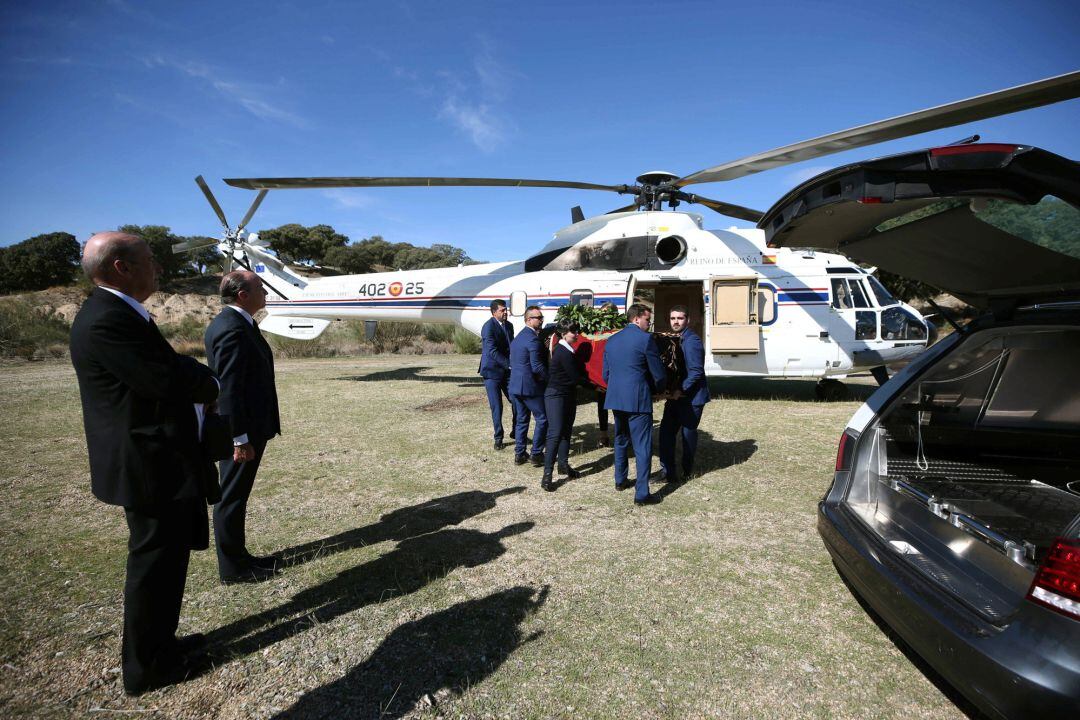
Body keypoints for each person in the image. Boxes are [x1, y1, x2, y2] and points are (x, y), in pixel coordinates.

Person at [70, 232, 219, 695]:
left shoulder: (117, 313)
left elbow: (163, 370)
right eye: (150, 259)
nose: (158, 266)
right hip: (148, 464)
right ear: (122, 267)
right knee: (154, 564)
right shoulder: (106, 321)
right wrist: (207, 379)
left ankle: (161, 645)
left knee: (167, 561)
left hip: (157, 459)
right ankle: (146, 668)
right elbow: (163, 377)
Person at [204, 270, 282, 584]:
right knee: (231, 496)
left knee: (237, 495)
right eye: (261, 288)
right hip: (242, 430)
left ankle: (239, 556)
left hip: (249, 427)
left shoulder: (239, 323)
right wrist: (239, 438)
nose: (266, 293)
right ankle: (233, 569)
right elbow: (229, 389)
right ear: (243, 295)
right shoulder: (231, 329)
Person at [602, 303, 667, 506]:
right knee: (642, 446)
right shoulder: (645, 339)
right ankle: (641, 493)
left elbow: (605, 375)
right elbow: (658, 374)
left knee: (621, 440)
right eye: (648, 320)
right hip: (638, 398)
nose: (649, 324)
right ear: (637, 318)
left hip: (616, 397)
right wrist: (658, 390)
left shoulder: (611, 340)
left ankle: (620, 481)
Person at [658, 305, 710, 483]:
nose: (676, 322)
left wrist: (680, 390)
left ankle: (687, 471)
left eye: (679, 318)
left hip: (690, 398)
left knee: (688, 436)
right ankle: (668, 472)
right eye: (673, 318)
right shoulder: (676, 339)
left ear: (687, 320)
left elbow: (696, 371)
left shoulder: (692, 341)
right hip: (675, 397)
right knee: (665, 434)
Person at [542, 319, 584, 491]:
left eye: (576, 331)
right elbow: (575, 377)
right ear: (563, 333)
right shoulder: (563, 352)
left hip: (567, 395)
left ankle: (563, 465)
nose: (576, 334)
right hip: (556, 396)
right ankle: (547, 475)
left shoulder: (567, 350)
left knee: (566, 431)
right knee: (555, 433)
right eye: (573, 331)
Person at [508, 305, 548, 466]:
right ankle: (536, 453)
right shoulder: (532, 339)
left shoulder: (519, 337)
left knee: (522, 420)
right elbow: (536, 366)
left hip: (515, 386)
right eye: (539, 318)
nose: (541, 320)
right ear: (529, 319)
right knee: (542, 418)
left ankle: (519, 453)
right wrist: (549, 379)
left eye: (541, 317)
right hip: (529, 387)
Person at [478, 299, 516, 450]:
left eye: (506, 309)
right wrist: (509, 364)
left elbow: (511, 347)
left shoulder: (510, 326)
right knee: (497, 407)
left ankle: (516, 431)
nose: (505, 312)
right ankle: (498, 438)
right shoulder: (488, 327)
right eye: (502, 310)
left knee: (516, 401)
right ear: (494, 312)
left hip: (507, 372)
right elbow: (492, 351)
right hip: (492, 372)